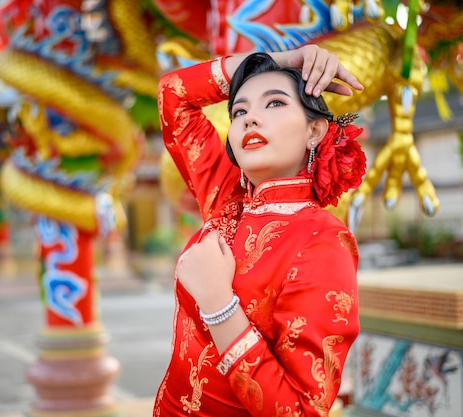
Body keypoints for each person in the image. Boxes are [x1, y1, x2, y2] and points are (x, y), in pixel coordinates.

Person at [155, 44, 367, 417]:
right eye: (240, 110)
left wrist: (220, 306)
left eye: (274, 104)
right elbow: (173, 94)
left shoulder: (324, 241)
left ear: (315, 130)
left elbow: (301, 410)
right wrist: (282, 61)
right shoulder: (226, 198)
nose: (251, 119)